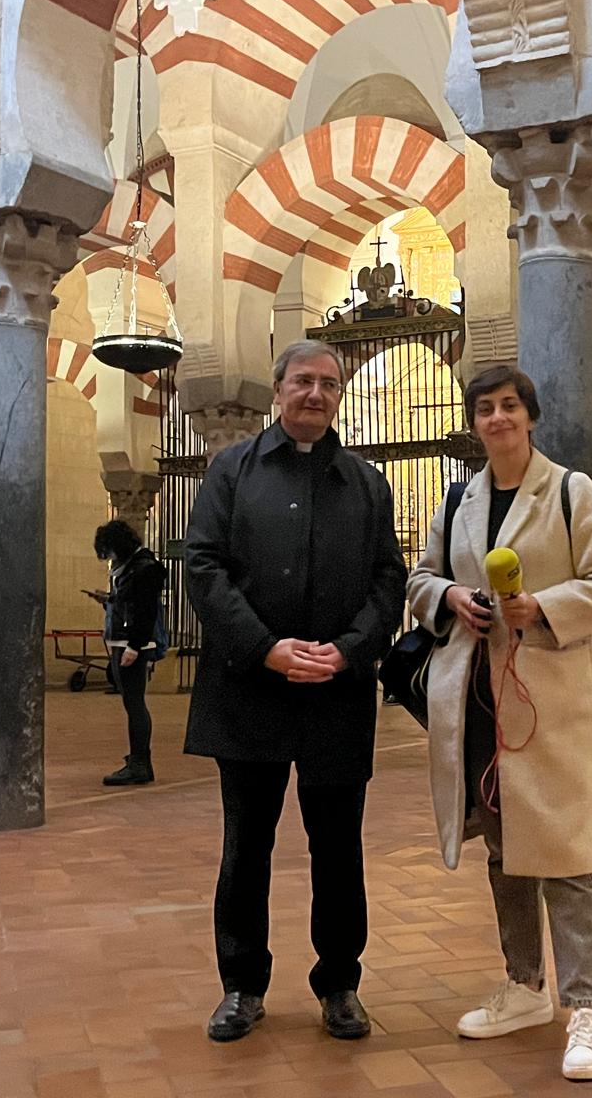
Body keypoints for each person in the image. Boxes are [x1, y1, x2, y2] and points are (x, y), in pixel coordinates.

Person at [406, 365, 592, 1082]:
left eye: (509, 406)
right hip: (477, 700)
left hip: (547, 702)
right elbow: (419, 579)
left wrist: (545, 607)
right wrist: (450, 597)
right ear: (474, 424)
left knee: (565, 854)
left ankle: (587, 1006)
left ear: (529, 416)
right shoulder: (459, 499)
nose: (498, 418)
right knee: (503, 850)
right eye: (485, 409)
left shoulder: (570, 490)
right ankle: (524, 986)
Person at [184, 340, 405, 1045]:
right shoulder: (230, 470)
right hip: (251, 688)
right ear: (277, 389)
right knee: (245, 847)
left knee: (338, 849)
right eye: (304, 381)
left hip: (336, 693)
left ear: (339, 397)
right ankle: (241, 986)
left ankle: (340, 984)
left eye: (329, 385)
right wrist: (266, 649)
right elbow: (204, 566)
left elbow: (388, 581)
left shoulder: (366, 483)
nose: (316, 394)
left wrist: (347, 651)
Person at [94, 519, 165, 785]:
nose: (108, 557)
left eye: (108, 551)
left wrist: (135, 646)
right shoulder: (131, 569)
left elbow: (145, 612)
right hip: (123, 642)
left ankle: (139, 763)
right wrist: (109, 601)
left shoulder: (144, 569)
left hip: (132, 645)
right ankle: (138, 759)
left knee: (135, 704)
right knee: (131, 702)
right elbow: (130, 604)